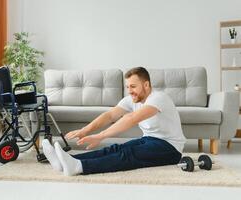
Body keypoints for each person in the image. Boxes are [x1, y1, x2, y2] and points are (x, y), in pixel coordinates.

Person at [42, 67, 186, 176]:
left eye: (133, 86)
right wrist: (85, 130)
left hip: (170, 149)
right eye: (128, 87)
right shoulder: (132, 99)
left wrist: (100, 136)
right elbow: (110, 115)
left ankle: (79, 166)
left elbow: (131, 118)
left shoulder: (158, 98)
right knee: (115, 149)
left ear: (146, 85)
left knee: (127, 155)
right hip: (149, 140)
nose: (130, 91)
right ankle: (66, 161)